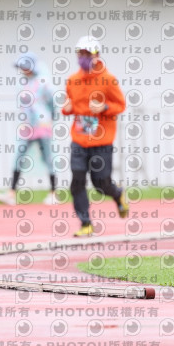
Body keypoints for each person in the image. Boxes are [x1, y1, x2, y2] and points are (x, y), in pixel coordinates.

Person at [62, 36, 128, 237]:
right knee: (77, 180)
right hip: (79, 140)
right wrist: (67, 109)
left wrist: (104, 107)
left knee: (101, 183)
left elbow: (120, 105)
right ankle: (86, 223)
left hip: (102, 141)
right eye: (80, 53)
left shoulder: (108, 79)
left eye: (87, 54)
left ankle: (117, 194)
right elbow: (70, 105)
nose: (83, 57)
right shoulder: (73, 80)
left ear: (96, 55)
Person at [0, 52, 58, 206]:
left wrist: (50, 118)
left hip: (43, 125)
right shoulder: (23, 84)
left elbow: (52, 102)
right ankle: (11, 193)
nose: (23, 69)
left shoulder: (44, 82)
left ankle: (54, 193)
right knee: (19, 156)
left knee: (48, 158)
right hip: (27, 126)